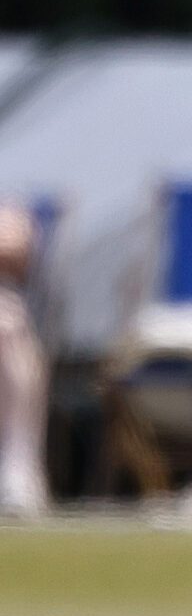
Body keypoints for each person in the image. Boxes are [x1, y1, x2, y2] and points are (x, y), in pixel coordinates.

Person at [0, 199, 48, 517]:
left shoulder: (13, 212)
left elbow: (19, 250)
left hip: (7, 316)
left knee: (10, 329)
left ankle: (17, 470)